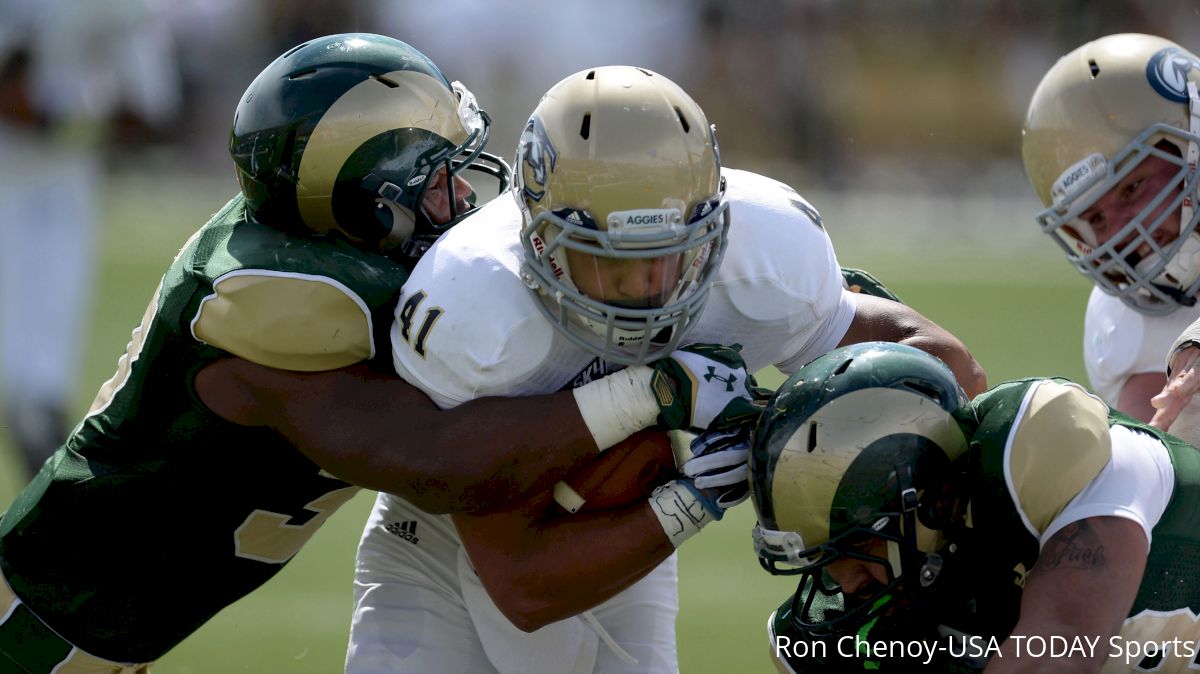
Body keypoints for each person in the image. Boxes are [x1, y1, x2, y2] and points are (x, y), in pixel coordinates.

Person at [0, 35, 741, 673]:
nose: (464, 195)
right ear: (369, 206)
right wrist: (650, 393)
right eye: (439, 178)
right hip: (35, 634)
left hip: (93, 632)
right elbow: (435, 460)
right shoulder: (279, 303)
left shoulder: (325, 242)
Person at [346, 65, 986, 674]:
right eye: (615, 263)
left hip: (620, 531)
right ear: (539, 238)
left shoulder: (767, 252)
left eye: (670, 256)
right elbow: (521, 586)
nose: (650, 291)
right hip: (444, 542)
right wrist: (691, 488)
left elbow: (934, 368)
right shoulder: (475, 303)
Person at [749, 341, 1198, 673]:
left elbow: (1059, 652)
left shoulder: (1035, 450)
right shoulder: (934, 567)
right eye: (823, 560)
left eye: (856, 546)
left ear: (931, 500)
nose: (842, 583)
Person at [0, 0, 182, 478]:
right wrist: (79, 123)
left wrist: (67, 125)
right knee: (30, 367)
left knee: (40, 376)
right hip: (27, 174)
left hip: (62, 183)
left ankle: (44, 497)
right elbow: (11, 94)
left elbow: (150, 111)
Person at [1022, 33, 1200, 423]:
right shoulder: (1125, 324)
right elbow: (1165, 460)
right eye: (1096, 219)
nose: (1124, 230)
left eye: (1133, 188)